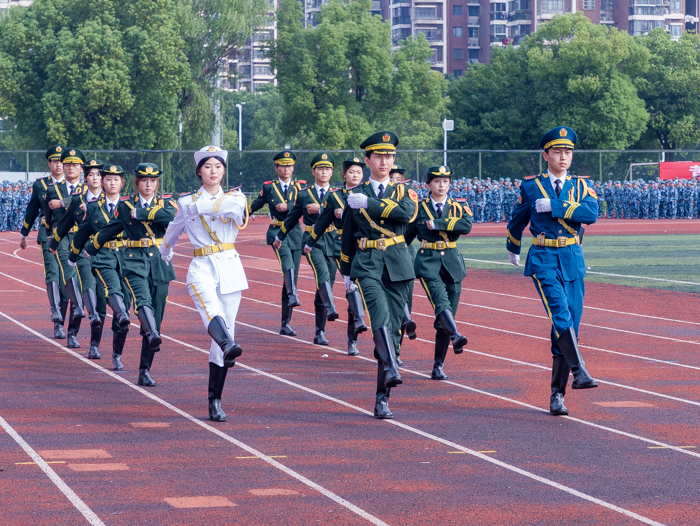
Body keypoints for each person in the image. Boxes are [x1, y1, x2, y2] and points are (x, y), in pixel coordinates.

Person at [506, 126, 599, 417]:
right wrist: (513, 246)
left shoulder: (583, 186)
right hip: (544, 255)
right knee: (559, 312)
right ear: (546, 154)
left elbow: (591, 215)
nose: (563, 157)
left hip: (571, 255)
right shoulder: (531, 186)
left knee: (570, 322)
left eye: (568, 152)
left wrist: (557, 206)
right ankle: (579, 370)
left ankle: (556, 396)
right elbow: (517, 218)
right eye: (558, 151)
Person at [160, 146, 248, 421]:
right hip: (201, 268)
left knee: (224, 335)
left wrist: (198, 206)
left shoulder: (236, 198)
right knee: (213, 314)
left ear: (223, 171)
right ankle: (228, 346)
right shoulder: (185, 203)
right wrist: (165, 253)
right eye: (208, 167)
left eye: (218, 167)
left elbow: (233, 210)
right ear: (199, 171)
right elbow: (173, 230)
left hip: (230, 268)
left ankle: (215, 400)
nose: (213, 172)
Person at [340, 131, 418, 420]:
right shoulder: (355, 194)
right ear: (367, 159)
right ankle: (391, 372)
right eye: (379, 156)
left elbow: (405, 215)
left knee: (395, 328)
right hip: (368, 263)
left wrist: (369, 205)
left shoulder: (404, 192)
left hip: (398, 264)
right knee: (380, 316)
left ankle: (383, 392)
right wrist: (346, 272)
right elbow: (348, 234)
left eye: (389, 156)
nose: (384, 161)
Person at [84, 163, 176, 387]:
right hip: (134, 260)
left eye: (152, 181)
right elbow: (111, 228)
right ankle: (152, 333)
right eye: (143, 180)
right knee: (142, 301)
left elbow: (170, 217)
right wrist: (89, 248)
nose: (148, 184)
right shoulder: (126, 205)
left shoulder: (166, 203)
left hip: (160, 263)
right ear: (137, 182)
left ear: (156, 183)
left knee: (157, 314)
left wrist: (140, 213)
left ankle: (144, 369)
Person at [405, 166, 472, 380]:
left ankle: (438, 365)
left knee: (447, 313)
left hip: (452, 263)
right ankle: (456, 335)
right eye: (437, 181)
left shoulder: (458, 206)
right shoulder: (419, 207)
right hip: (428, 262)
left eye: (445, 181)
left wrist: (438, 224)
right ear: (428, 185)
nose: (441, 185)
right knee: (440, 301)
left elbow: (465, 226)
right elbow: (406, 237)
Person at [67, 165, 132, 370]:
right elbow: (83, 233)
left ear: (122, 183)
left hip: (127, 259)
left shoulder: (130, 206)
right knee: (105, 303)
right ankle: (94, 345)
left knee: (126, 304)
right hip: (102, 257)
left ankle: (117, 353)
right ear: (102, 182)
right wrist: (73, 257)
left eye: (116, 180)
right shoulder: (94, 207)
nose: (112, 183)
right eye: (108, 179)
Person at [306, 157, 369, 355]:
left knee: (356, 290)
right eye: (351, 172)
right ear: (344, 175)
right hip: (341, 247)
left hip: (363, 247)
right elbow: (323, 221)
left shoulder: (368, 195)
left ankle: (353, 338)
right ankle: (343, 320)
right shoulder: (334, 197)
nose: (355, 176)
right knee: (349, 286)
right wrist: (310, 242)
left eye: (359, 172)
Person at [274, 153, 339, 345]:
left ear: (332, 172)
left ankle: (320, 332)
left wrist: (320, 209)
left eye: (327, 169)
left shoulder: (337, 194)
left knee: (327, 282)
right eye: (320, 168)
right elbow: (292, 218)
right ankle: (331, 306)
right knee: (322, 273)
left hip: (332, 240)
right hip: (312, 241)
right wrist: (279, 237)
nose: (324, 172)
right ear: (313, 171)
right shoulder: (303, 194)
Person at [49, 159, 105, 358]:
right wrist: (53, 244)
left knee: (102, 297)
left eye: (99, 175)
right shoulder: (77, 199)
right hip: (81, 248)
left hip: (106, 253)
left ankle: (95, 342)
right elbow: (63, 224)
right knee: (82, 287)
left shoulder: (114, 200)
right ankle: (74, 332)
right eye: (91, 175)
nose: (95, 178)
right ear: (86, 177)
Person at [249, 151, 304, 336]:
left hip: (295, 232)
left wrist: (289, 205)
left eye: (289, 166)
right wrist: (239, 214)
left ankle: (285, 322)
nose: (286, 169)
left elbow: (306, 205)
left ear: (293, 168)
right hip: (276, 232)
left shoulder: (300, 188)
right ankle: (292, 295)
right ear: (276, 168)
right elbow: (254, 205)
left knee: (291, 279)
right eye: (283, 165)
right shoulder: (269, 188)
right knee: (286, 261)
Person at [43, 148, 92, 348]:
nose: (71, 168)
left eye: (76, 165)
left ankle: (73, 332)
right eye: (68, 164)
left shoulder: (88, 189)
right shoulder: (53, 188)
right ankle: (78, 307)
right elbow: (48, 214)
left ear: (82, 169)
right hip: (62, 236)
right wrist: (50, 237)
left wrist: (64, 202)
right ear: (63, 167)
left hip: (82, 236)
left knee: (82, 284)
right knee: (68, 268)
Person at [19, 146, 69, 339]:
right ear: (49, 163)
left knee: (67, 282)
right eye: (54, 161)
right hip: (47, 232)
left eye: (61, 161)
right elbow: (32, 210)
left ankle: (61, 321)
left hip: (68, 236)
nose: (58, 164)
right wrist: (24, 234)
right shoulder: (41, 185)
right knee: (52, 272)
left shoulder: (74, 186)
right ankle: (56, 316)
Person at [389, 164, 417, 356]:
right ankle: (390, 350)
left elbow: (412, 223)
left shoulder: (409, 196)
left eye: (399, 178)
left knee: (406, 298)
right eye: (393, 177)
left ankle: (396, 351)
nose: (396, 181)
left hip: (404, 250)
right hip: (381, 251)